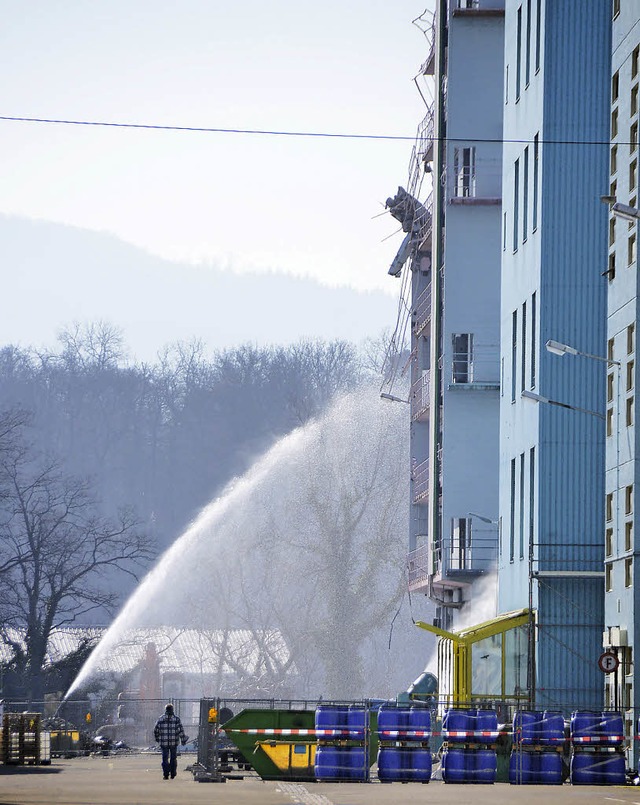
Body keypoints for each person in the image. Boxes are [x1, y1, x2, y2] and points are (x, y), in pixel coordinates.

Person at [153, 703, 187, 780]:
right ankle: (173, 773)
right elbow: (180, 730)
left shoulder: (161, 719)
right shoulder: (176, 719)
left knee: (165, 759)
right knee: (173, 758)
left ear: (166, 710)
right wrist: (183, 739)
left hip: (163, 742)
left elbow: (156, 730)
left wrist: (157, 738)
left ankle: (166, 774)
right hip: (173, 742)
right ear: (172, 710)